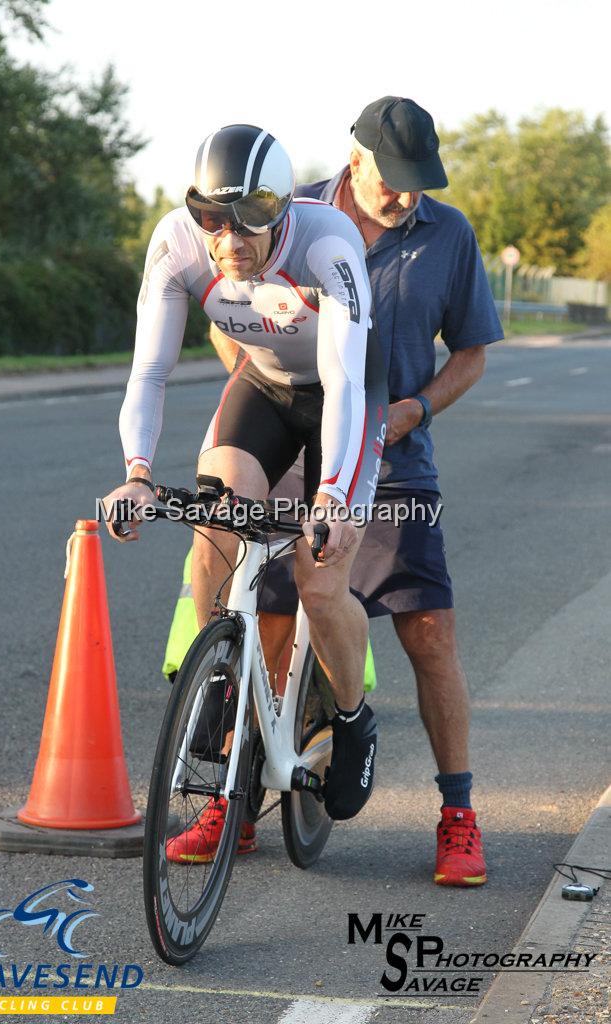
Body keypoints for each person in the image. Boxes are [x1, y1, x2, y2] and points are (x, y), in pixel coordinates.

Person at [207, 98, 504, 887]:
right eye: (394, 180)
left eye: (419, 184)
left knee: (429, 632)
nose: (406, 196)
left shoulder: (448, 235)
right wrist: (258, 345)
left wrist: (417, 407)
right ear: (356, 158)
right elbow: (223, 310)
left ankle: (458, 815)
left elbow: (472, 351)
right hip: (298, 449)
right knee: (268, 621)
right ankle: (229, 801)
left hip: (393, 458)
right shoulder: (287, 210)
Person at [102, 124, 389, 860]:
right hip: (261, 387)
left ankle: (352, 717)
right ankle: (224, 684)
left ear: (279, 209)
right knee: (212, 527)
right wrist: (137, 472)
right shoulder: (176, 243)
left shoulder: (327, 245)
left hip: (342, 395)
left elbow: (348, 381)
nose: (228, 238)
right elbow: (149, 372)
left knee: (319, 578)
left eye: (249, 221)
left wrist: (330, 496)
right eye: (211, 218)